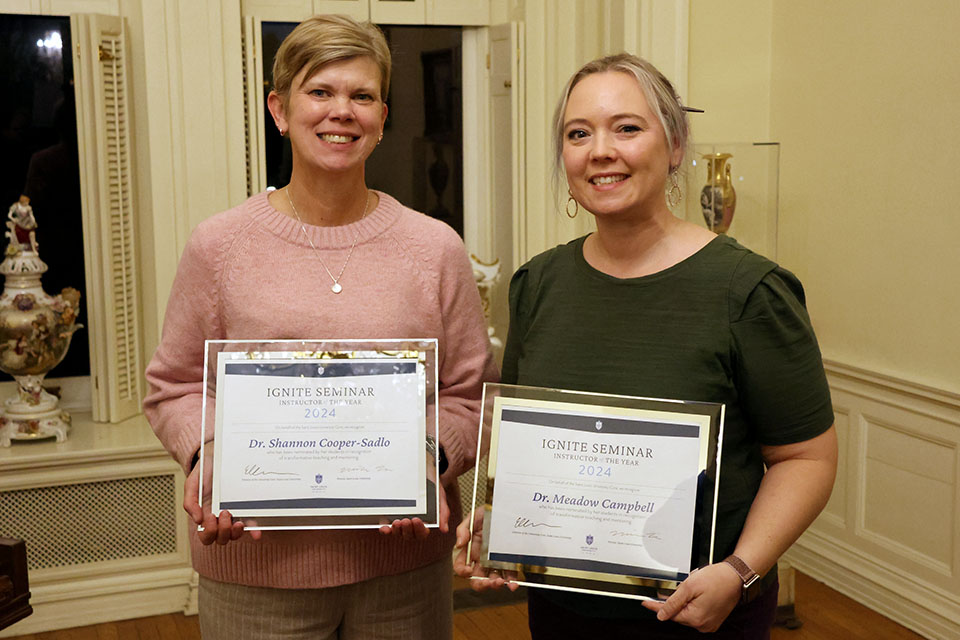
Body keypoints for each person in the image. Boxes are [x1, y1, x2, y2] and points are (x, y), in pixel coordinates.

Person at [455, 53, 837, 639]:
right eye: (578, 133)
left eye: (627, 128)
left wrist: (739, 572)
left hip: (701, 612)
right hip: (563, 608)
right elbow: (526, 439)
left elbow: (806, 459)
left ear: (676, 144)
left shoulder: (749, 291)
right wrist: (495, 522)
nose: (599, 150)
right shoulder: (537, 285)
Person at [144, 15, 497, 640]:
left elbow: (470, 392)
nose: (342, 112)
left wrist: (430, 459)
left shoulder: (434, 247)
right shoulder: (218, 245)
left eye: (362, 96)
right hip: (254, 570)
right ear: (280, 110)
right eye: (321, 92)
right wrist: (208, 458)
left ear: (382, 118)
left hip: (402, 571)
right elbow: (174, 384)